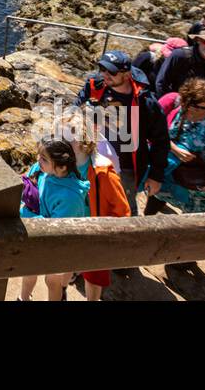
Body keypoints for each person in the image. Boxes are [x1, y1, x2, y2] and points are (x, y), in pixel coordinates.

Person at [73, 50, 169, 216]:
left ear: (127, 74)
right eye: (102, 69)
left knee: (123, 206)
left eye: (112, 72)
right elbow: (74, 109)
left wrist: (156, 176)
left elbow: (161, 140)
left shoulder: (145, 102)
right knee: (89, 199)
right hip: (91, 156)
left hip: (125, 167)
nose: (105, 75)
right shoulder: (95, 86)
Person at [145, 79, 205, 215]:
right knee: (151, 210)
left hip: (194, 182)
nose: (195, 112)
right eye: (191, 107)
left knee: (191, 223)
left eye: (203, 109)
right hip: (163, 171)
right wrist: (173, 148)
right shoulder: (171, 102)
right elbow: (148, 129)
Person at [66, 108, 130, 301]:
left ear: (84, 141)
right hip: (69, 230)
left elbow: (122, 212)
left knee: (94, 278)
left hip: (96, 234)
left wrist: (108, 237)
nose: (63, 141)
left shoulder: (103, 172)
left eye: (70, 137)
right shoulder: (62, 165)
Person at [17, 138, 90, 301]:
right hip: (37, 234)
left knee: (52, 281)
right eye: (38, 156)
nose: (38, 161)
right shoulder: (41, 169)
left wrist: (24, 213)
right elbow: (27, 180)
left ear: (62, 167)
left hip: (60, 244)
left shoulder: (70, 196)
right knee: (29, 271)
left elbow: (54, 228)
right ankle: (23, 298)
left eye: (44, 159)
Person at [155, 26, 205, 118]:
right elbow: (161, 83)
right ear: (198, 40)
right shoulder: (180, 56)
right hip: (177, 109)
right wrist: (169, 108)